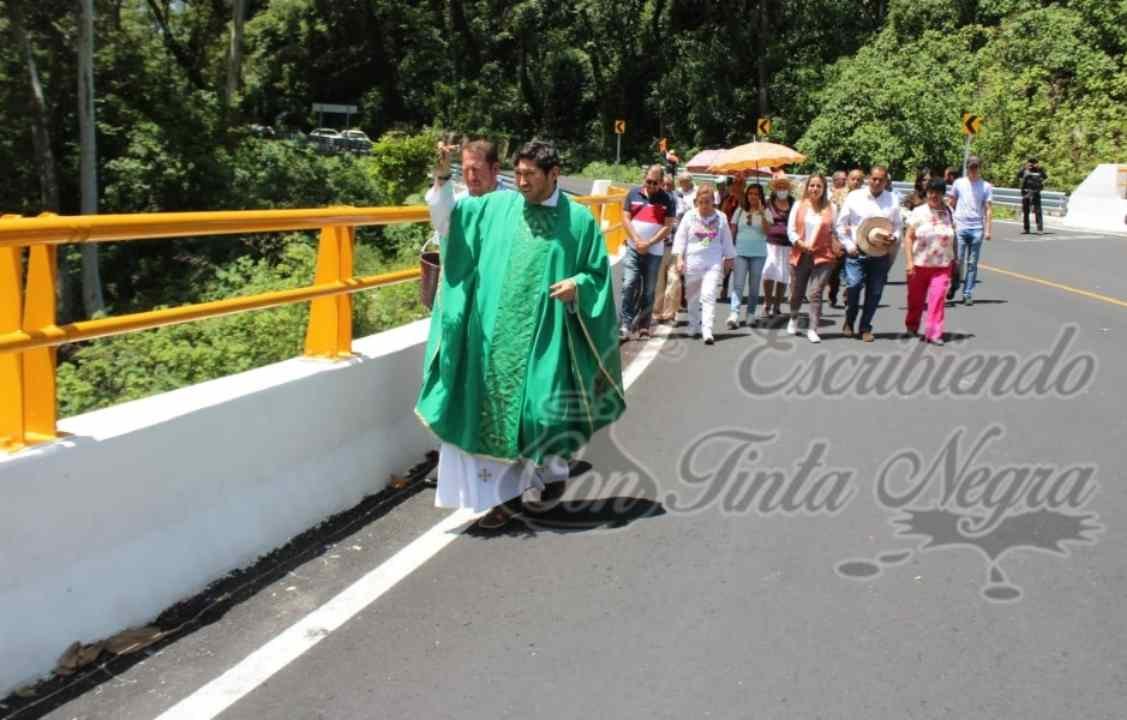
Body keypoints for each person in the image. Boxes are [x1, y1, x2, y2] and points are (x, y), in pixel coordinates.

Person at [416, 140, 626, 530]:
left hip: (548, 338)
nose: (524, 183)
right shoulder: (499, 207)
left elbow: (597, 274)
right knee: (494, 416)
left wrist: (578, 285)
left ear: (554, 174)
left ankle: (542, 475)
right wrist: (443, 178)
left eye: (532, 175)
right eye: (520, 174)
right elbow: (446, 222)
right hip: (494, 339)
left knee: (536, 414)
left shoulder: (578, 223)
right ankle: (505, 500)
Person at [835, 165, 903, 342]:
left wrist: (894, 237)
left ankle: (865, 327)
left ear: (886, 181)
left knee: (874, 292)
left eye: (881, 179)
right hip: (856, 251)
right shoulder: (854, 197)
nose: (877, 182)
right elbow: (840, 225)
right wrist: (849, 245)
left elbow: (897, 226)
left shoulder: (893, 200)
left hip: (880, 253)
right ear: (868, 179)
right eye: (874, 178)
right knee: (854, 286)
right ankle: (849, 320)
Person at [673, 183, 736, 344]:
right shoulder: (689, 216)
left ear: (713, 201)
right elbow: (680, 239)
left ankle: (707, 330)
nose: (704, 205)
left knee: (708, 295)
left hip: (713, 263)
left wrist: (729, 258)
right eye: (701, 202)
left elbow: (727, 240)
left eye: (707, 202)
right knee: (692, 297)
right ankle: (693, 325)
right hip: (693, 262)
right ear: (696, 201)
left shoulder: (721, 217)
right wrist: (679, 258)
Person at [620, 165, 676, 340]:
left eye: (655, 183)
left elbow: (668, 226)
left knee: (649, 289)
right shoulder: (633, 194)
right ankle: (625, 324)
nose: (651, 185)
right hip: (633, 247)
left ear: (661, 182)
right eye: (648, 181)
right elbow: (625, 218)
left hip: (655, 251)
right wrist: (637, 240)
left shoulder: (668, 200)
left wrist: (649, 242)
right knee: (629, 283)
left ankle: (644, 325)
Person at [786, 173, 839, 343]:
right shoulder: (798, 205)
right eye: (812, 185)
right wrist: (799, 243)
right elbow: (791, 230)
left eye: (818, 186)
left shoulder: (832, 208)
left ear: (824, 189)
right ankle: (793, 318)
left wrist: (844, 245)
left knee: (816, 293)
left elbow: (836, 231)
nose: (815, 189)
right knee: (796, 292)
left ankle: (813, 328)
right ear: (807, 187)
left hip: (823, 256)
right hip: (801, 254)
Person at [904, 178, 956, 345]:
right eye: (931, 192)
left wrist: (955, 260)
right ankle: (912, 326)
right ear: (927, 193)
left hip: (942, 265)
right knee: (915, 300)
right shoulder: (919, 212)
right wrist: (910, 262)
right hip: (919, 264)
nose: (934, 195)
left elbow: (954, 238)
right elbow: (909, 237)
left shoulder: (949, 212)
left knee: (938, 299)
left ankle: (934, 333)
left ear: (943, 194)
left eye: (938, 192)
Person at [426, 139, 511, 239]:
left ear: (495, 169)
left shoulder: (511, 205)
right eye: (466, 170)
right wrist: (442, 174)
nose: (471, 177)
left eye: (476, 169)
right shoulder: (458, 203)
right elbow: (443, 228)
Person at [947, 155, 993, 306]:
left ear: (980, 168)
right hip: (960, 226)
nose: (973, 170)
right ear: (967, 168)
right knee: (958, 261)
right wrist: (949, 222)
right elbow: (951, 203)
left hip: (976, 228)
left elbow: (988, 209)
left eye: (976, 167)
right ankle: (954, 285)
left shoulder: (986, 186)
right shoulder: (959, 183)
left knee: (972, 263)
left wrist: (988, 230)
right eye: (971, 167)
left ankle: (968, 293)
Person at [727, 184, 770, 328]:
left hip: (758, 253)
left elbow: (767, 231)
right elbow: (732, 230)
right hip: (740, 252)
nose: (753, 196)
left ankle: (750, 314)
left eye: (756, 194)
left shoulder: (766, 212)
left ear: (761, 196)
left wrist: (763, 214)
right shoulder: (739, 211)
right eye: (750, 193)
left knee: (754, 286)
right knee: (738, 284)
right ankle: (734, 314)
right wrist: (729, 250)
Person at [827, 168, 864, 307]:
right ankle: (833, 292)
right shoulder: (838, 195)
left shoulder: (866, 197)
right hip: (838, 237)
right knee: (834, 270)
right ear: (848, 180)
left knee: (855, 270)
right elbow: (831, 215)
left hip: (857, 238)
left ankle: (849, 293)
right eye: (853, 179)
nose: (856, 182)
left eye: (859, 179)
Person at [761, 175, 794, 320]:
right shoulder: (768, 203)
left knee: (783, 275)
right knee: (768, 271)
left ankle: (777, 305)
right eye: (779, 187)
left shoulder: (793, 203)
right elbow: (763, 221)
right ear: (775, 188)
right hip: (770, 242)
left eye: (784, 187)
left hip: (788, 244)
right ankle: (767, 302)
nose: (782, 190)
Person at [651, 176, 683, 323]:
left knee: (674, 280)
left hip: (674, 247)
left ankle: (669, 313)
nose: (666, 187)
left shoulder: (678, 200)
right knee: (658, 283)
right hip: (658, 247)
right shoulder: (653, 201)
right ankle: (657, 312)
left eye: (669, 185)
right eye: (663, 184)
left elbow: (682, 221)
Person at [1016, 157, 1048, 234]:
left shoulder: (1039, 170)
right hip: (1026, 192)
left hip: (1036, 192)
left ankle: (1039, 229)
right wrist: (1024, 167)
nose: (1032, 164)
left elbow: (1045, 177)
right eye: (1031, 162)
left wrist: (1040, 168)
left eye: (1034, 163)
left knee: (1038, 211)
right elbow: (1018, 175)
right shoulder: (1025, 170)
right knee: (1026, 211)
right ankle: (1026, 229)